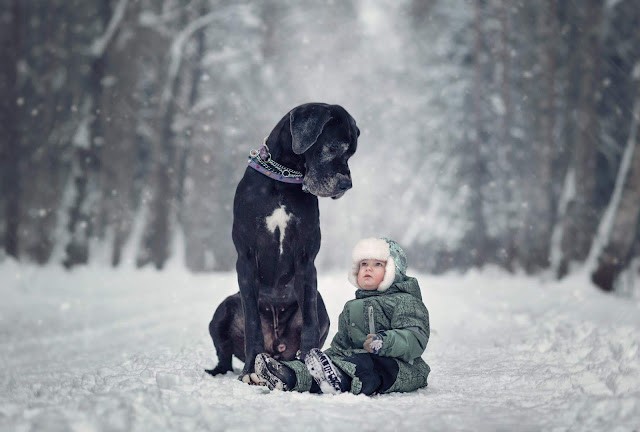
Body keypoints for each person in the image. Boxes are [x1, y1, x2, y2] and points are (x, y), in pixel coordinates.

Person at [253, 237, 430, 395]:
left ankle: (336, 377)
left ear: (393, 271)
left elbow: (414, 338)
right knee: (335, 363)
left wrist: (385, 342)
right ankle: (287, 375)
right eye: (363, 264)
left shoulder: (405, 301)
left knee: (367, 366)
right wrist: (327, 359)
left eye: (377, 264)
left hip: (400, 368)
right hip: (356, 362)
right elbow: (341, 345)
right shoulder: (352, 308)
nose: (368, 268)